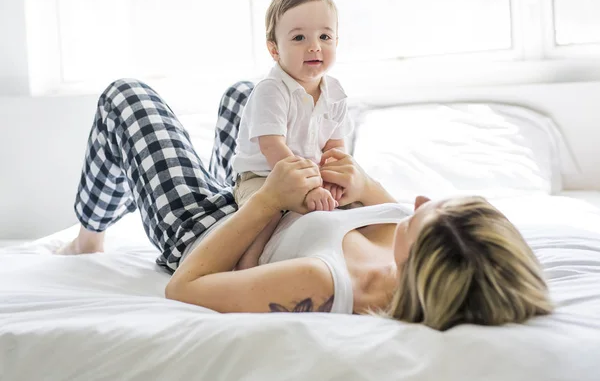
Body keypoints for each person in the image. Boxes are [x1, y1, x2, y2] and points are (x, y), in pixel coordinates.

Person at [57, 78, 553, 330]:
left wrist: (269, 200)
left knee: (126, 97)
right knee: (251, 96)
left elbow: (186, 287)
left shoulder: (325, 283)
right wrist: (350, 176)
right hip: (271, 193)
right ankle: (222, 177)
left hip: (216, 231)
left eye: (424, 213)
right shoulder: (420, 244)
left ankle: (89, 238)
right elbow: (381, 202)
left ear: (419, 265)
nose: (419, 199)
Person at [232, 0, 353, 270]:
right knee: (267, 212)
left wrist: (334, 177)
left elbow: (335, 146)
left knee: (347, 205)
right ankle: (247, 268)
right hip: (263, 175)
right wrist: (307, 188)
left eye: (325, 36)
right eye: (299, 37)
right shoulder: (271, 90)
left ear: (337, 41)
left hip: (308, 173)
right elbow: (272, 147)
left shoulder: (335, 93)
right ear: (274, 50)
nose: (314, 46)